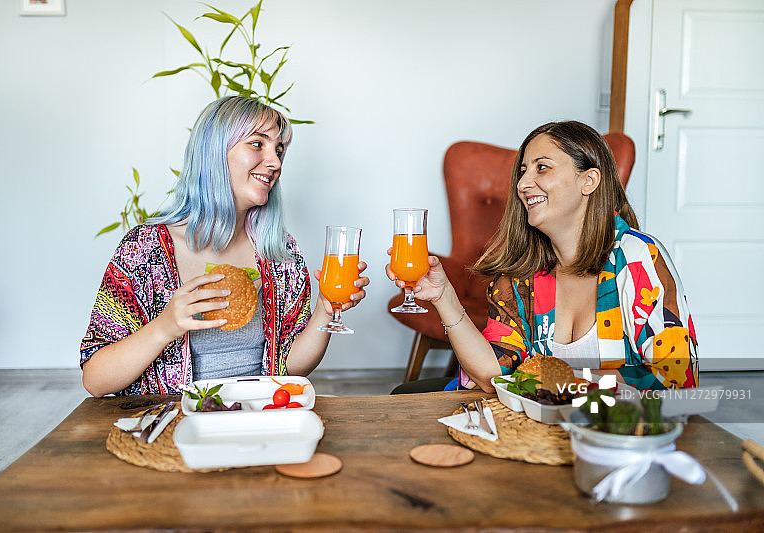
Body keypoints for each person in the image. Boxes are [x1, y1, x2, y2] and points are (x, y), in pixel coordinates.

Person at [81, 96, 369, 397]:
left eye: (279, 150)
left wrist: (324, 311)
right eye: (258, 144)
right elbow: (95, 380)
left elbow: (289, 369)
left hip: (259, 421)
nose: (275, 162)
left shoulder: (280, 253)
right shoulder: (144, 249)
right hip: (173, 429)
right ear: (214, 151)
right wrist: (164, 327)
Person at [387, 121, 697, 393]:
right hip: (538, 438)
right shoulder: (524, 272)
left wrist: (556, 385)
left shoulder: (638, 258)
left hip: (617, 438)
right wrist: (444, 297)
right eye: (522, 172)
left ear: (588, 180)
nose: (522, 185)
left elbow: (677, 383)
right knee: (406, 395)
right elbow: (493, 373)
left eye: (542, 167)